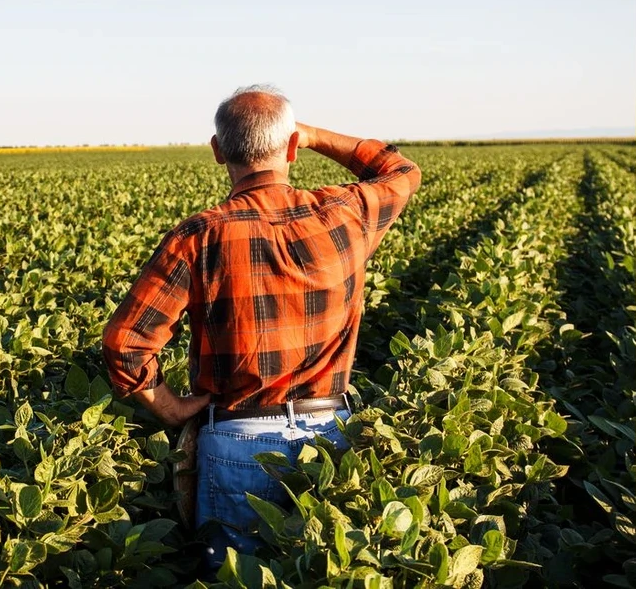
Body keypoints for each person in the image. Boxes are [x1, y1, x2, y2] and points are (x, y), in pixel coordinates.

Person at [101, 84, 422, 568]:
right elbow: (400, 171)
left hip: (235, 440)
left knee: (238, 577)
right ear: (293, 147)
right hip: (328, 437)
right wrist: (313, 135)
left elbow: (126, 344)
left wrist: (169, 408)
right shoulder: (345, 214)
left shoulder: (199, 235)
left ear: (217, 151)